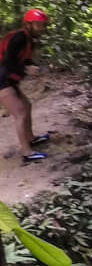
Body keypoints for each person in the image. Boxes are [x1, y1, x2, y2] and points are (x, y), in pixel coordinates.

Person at [0, 8, 51, 162]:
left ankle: (31, 138)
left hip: (8, 78)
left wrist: (32, 66)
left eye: (42, 25)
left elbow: (24, 59)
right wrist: (25, 68)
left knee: (26, 105)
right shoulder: (19, 38)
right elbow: (8, 61)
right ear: (28, 25)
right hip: (1, 79)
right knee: (20, 113)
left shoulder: (29, 40)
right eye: (38, 25)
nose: (41, 28)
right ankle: (27, 153)